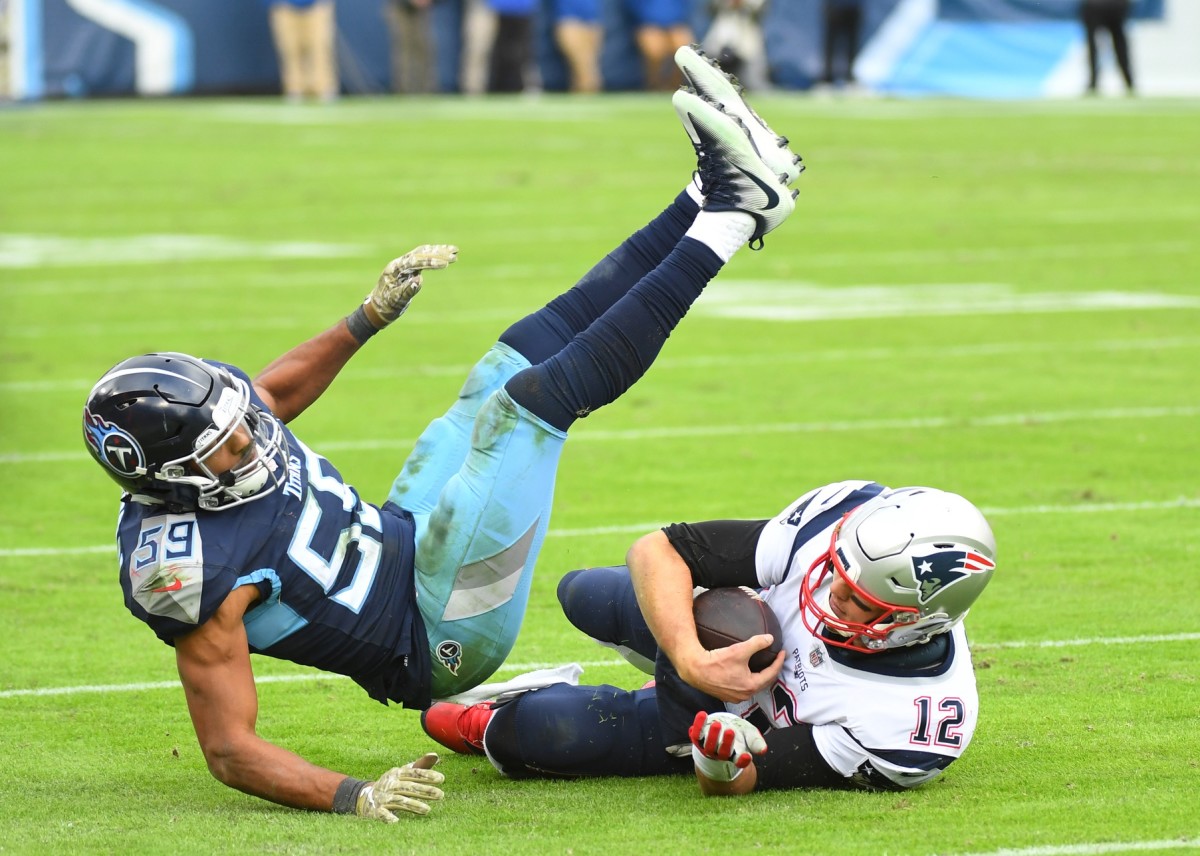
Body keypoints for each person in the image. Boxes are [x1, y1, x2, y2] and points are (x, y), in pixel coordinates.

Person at [80, 44, 801, 822]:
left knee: (507, 362)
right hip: (436, 631)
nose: (251, 440)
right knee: (524, 408)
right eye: (224, 447)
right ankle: (734, 217)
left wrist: (367, 318)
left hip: (406, 536)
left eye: (240, 425)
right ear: (170, 481)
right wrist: (351, 795)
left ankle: (701, 196)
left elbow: (270, 393)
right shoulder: (185, 571)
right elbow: (227, 747)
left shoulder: (224, 420)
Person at [422, 481, 998, 793]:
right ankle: (671, 659)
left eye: (859, 601)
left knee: (540, 735)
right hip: (707, 638)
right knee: (585, 592)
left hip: (727, 723)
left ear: (918, 619)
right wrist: (692, 658)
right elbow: (658, 550)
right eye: (836, 574)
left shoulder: (914, 727)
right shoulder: (839, 523)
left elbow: (751, 778)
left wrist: (722, 756)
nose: (830, 596)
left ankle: (514, 711)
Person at [266, 0, 339, 102]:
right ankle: (295, 89)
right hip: (284, 7)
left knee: (320, 47)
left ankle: (324, 88)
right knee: (290, 50)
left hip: (316, 6)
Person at [627, 0, 695, 91]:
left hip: (677, 24)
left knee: (685, 50)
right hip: (648, 24)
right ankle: (655, 85)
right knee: (655, 49)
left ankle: (676, 87)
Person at [1080, 0, 1135, 95]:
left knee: (1094, 46)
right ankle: (1129, 82)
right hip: (1115, 5)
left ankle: (1093, 83)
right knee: (1119, 43)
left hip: (1096, 5)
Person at [385, 0, 437, 95]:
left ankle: (426, 91)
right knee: (405, 52)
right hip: (401, 8)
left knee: (424, 50)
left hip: (421, 12)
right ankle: (403, 90)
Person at [553, 0, 604, 93]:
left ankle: (587, 81)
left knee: (591, 75)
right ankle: (584, 83)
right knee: (585, 76)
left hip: (590, 19)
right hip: (570, 19)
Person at [820, 0, 862, 89]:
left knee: (852, 46)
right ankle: (827, 79)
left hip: (852, 7)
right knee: (831, 46)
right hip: (835, 6)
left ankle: (849, 78)